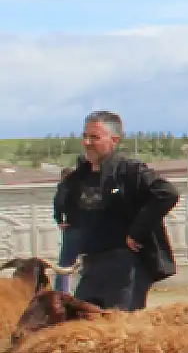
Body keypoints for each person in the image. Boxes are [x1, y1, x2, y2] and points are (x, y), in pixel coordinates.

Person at [54, 111, 179, 310]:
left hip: (125, 265)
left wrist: (137, 231)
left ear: (114, 140)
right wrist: (63, 218)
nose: (87, 142)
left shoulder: (129, 171)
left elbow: (167, 193)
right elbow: (64, 199)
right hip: (91, 267)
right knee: (82, 320)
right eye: (85, 136)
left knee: (120, 324)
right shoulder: (78, 177)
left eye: (94, 137)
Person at [51, 165, 80, 294]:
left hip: (72, 226)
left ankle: (61, 291)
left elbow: (58, 203)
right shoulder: (84, 185)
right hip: (89, 227)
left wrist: (60, 220)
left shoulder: (64, 187)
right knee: (94, 259)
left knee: (66, 262)